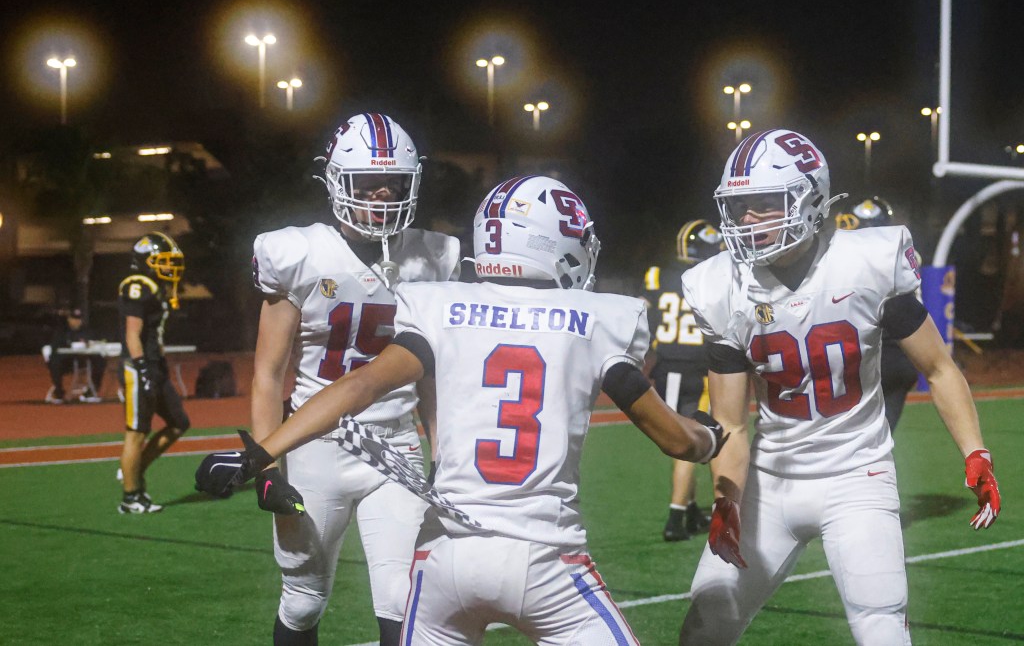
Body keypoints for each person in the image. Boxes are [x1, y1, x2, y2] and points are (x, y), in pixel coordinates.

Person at [197, 175, 727, 645]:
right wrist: (710, 436)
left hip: (444, 556)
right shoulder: (599, 319)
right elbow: (678, 441)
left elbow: (357, 386)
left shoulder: (441, 307)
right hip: (546, 558)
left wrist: (258, 455)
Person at [677, 129, 1001, 645]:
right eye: (739, 206)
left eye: (765, 203)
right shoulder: (720, 287)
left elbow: (939, 368)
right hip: (770, 481)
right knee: (704, 626)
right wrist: (727, 500)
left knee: (881, 625)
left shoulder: (867, 262)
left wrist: (975, 452)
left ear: (810, 199)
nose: (747, 220)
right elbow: (732, 422)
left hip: (858, 476)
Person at [248, 113, 460, 646]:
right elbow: (268, 374)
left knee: (404, 599)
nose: (382, 193)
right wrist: (267, 467)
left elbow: (430, 374)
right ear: (337, 181)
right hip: (316, 444)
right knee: (303, 600)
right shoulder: (298, 253)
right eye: (368, 181)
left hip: (395, 446)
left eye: (393, 181)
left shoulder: (434, 257)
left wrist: (443, 452)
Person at [642, 219, 723, 541]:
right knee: (693, 442)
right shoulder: (711, 279)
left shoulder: (658, 275)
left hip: (665, 368)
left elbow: (644, 312)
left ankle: (689, 511)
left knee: (680, 439)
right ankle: (676, 519)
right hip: (696, 370)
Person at [117, 231, 190, 514]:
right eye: (164, 260)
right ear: (145, 260)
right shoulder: (137, 285)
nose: (169, 267)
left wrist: (159, 365)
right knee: (137, 432)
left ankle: (133, 470)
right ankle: (130, 498)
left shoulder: (155, 286)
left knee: (178, 422)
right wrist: (142, 369)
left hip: (154, 365)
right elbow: (132, 334)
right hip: (139, 367)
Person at [835, 197, 920, 431]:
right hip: (902, 355)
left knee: (848, 441)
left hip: (863, 358)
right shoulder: (902, 256)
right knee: (880, 439)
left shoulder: (844, 261)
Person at [44, 306, 106, 403]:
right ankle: (59, 392)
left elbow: (95, 341)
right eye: (74, 319)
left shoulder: (87, 330)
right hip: (66, 361)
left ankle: (92, 390)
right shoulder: (61, 331)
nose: (76, 321)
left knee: (100, 360)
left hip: (83, 361)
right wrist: (68, 344)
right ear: (69, 319)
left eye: (78, 319)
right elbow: (55, 346)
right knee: (55, 362)